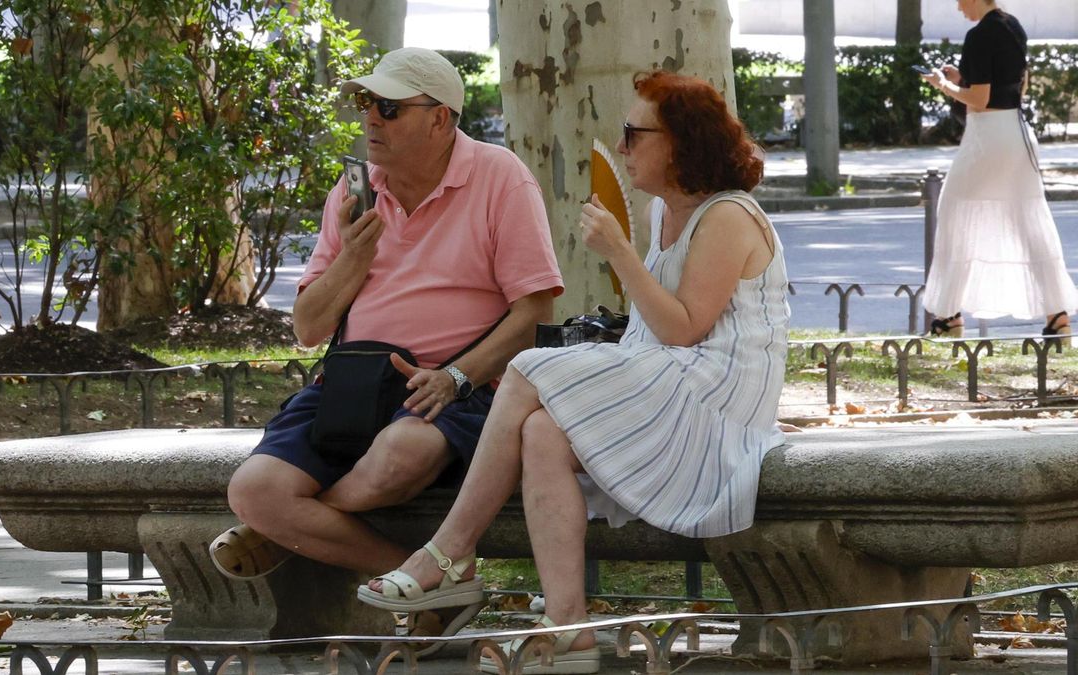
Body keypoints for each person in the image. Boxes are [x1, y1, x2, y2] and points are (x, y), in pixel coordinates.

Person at [357, 71, 789, 673]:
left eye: (634, 133)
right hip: (669, 380)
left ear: (682, 141)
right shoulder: (668, 209)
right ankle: (569, 628)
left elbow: (685, 329)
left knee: (529, 367)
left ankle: (450, 552)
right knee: (540, 432)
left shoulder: (728, 216)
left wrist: (619, 254)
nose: (622, 146)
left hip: (713, 403)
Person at [214, 47, 563, 650]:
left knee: (398, 455)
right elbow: (307, 327)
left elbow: (535, 312)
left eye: (389, 107)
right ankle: (431, 573)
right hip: (351, 382)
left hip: (454, 383)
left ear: (441, 119)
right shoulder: (353, 193)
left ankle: (282, 532)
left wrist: (455, 376)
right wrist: (354, 254)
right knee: (253, 493)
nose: (371, 119)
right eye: (364, 103)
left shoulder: (499, 176)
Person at [921, 0, 1078, 340]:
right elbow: (1013, 86)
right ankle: (1057, 315)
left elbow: (979, 99)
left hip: (987, 137)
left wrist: (943, 84)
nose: (959, 6)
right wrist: (964, 78)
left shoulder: (978, 35)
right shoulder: (1013, 26)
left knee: (953, 210)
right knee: (1028, 220)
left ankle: (949, 316)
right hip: (1017, 133)